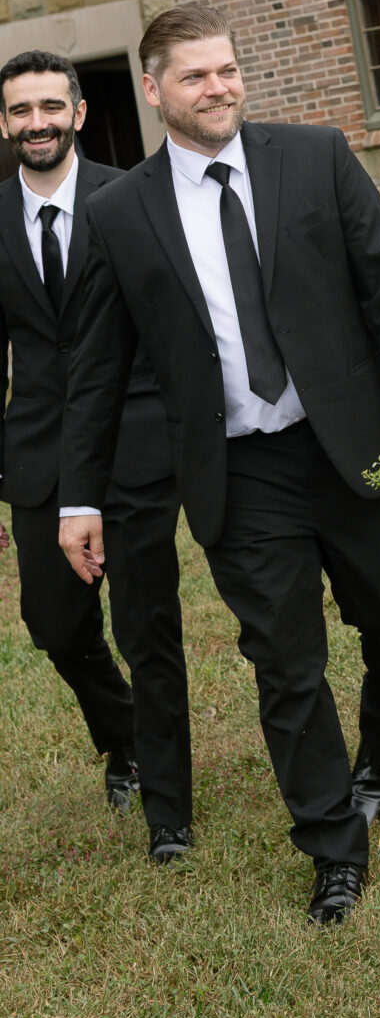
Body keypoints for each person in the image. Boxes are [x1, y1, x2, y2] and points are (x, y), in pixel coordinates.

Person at [59, 3, 380, 924]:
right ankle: (332, 846)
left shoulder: (315, 156)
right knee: (284, 658)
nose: (219, 88)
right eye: (195, 76)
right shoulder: (119, 213)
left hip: (347, 437)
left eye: (227, 69)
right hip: (236, 470)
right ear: (152, 89)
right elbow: (97, 369)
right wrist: (80, 497)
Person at [0, 51, 184, 843]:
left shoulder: (132, 196)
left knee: (147, 622)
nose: (36, 122)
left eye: (50, 106)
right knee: (53, 623)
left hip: (133, 444)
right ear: (4, 124)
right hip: (38, 453)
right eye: (20, 110)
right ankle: (123, 733)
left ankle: (165, 793)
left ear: (77, 112)